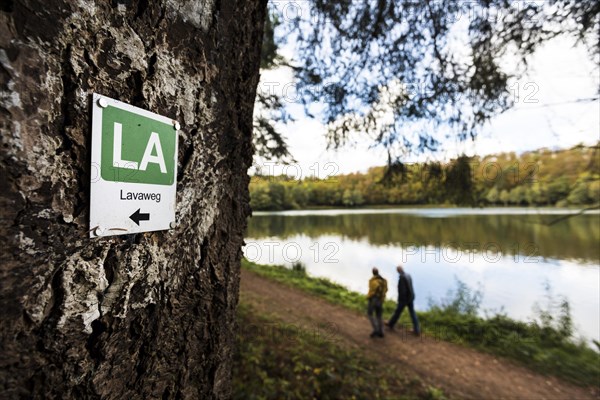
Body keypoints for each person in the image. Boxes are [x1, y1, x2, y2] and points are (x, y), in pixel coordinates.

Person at [386, 265, 420, 335]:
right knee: (412, 313)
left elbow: (402, 291)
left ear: (398, 271)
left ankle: (390, 324)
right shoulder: (408, 275)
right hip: (411, 297)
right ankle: (417, 330)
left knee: (397, 312)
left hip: (404, 299)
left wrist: (400, 300)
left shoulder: (402, 278)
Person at [367, 267, 387, 338]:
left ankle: (375, 329)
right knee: (379, 315)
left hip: (373, 299)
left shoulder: (373, 281)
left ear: (373, 272)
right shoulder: (384, 280)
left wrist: (371, 296)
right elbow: (386, 289)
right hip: (380, 300)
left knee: (370, 314)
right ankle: (381, 331)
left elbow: (375, 288)